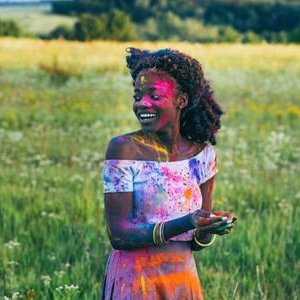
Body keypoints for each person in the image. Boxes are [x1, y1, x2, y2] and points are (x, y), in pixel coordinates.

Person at [101, 47, 237, 300]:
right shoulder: (123, 149)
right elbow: (118, 234)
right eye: (138, 96)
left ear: (181, 101)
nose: (143, 104)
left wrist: (210, 226)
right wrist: (188, 221)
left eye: (154, 95)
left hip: (182, 280)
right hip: (134, 283)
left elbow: (196, 242)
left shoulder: (202, 157)